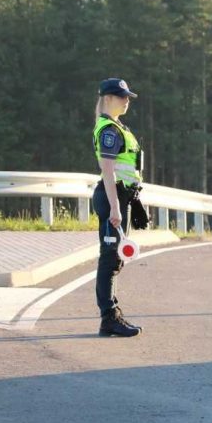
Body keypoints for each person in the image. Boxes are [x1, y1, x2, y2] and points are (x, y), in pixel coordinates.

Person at [92, 77, 144, 337]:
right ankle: (108, 318)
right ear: (108, 98)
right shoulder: (109, 130)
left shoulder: (117, 126)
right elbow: (108, 172)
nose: (126, 101)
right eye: (122, 97)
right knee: (109, 259)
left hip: (122, 198)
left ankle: (111, 316)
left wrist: (133, 202)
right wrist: (115, 208)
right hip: (112, 198)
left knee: (115, 259)